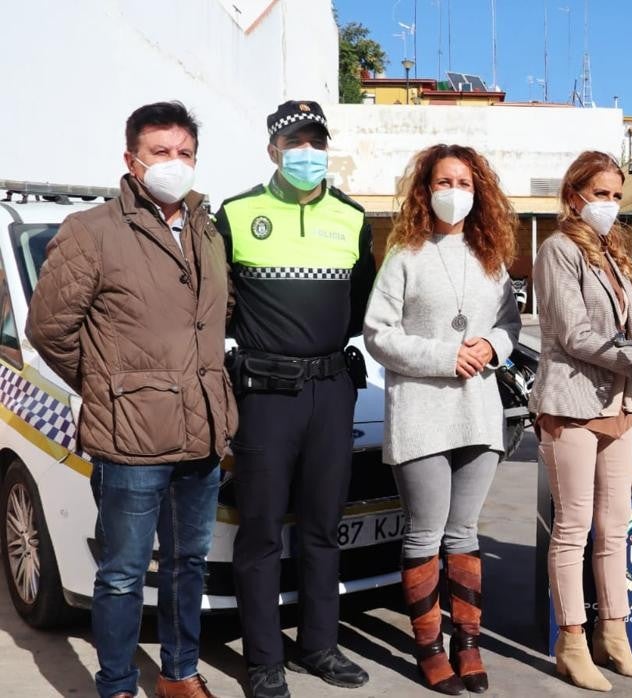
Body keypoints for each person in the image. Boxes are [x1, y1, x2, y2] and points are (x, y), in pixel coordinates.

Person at [26, 101, 235, 698]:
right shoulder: (92, 232)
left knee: (186, 564)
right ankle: (116, 682)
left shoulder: (205, 229)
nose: (175, 163)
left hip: (202, 432)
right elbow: (50, 329)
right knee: (121, 574)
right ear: (131, 159)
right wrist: (111, 388)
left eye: (185, 153)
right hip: (131, 440)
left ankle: (179, 672)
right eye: (161, 152)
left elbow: (214, 321)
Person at [215, 100, 376, 698]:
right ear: (273, 150)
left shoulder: (353, 219)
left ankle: (319, 647)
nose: (307, 153)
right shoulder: (236, 215)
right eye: (295, 142)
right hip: (265, 395)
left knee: (322, 527)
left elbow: (359, 306)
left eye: (316, 141)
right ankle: (263, 660)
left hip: (332, 390)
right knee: (258, 531)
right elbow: (218, 304)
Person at [363, 144, 522, 695]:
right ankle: (429, 647)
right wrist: (444, 355)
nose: (455, 191)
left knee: (464, 532)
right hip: (422, 412)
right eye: (444, 181)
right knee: (425, 531)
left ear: (479, 192)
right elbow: (378, 334)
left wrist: (491, 346)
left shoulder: (490, 256)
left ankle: (468, 643)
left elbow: (510, 323)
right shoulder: (403, 254)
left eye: (465, 182)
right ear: (425, 189)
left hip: (479, 411)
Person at [529, 150, 632, 692]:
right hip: (570, 406)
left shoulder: (612, 254)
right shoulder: (557, 250)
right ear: (574, 195)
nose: (609, 204)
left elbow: (622, 330)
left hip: (618, 405)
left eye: (617, 195)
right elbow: (574, 335)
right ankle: (572, 640)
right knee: (573, 528)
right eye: (600, 193)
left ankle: (613, 634)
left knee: (614, 527)